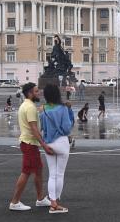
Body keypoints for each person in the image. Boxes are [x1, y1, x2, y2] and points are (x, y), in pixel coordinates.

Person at [9, 82, 53, 212]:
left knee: (38, 170)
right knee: (26, 172)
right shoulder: (30, 107)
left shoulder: (26, 105)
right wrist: (44, 145)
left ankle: (40, 198)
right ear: (29, 93)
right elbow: (34, 129)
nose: (38, 93)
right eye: (36, 91)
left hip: (29, 143)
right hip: (29, 144)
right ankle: (15, 202)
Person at [39, 84, 73, 213]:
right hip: (62, 143)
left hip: (48, 143)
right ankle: (56, 202)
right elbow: (67, 128)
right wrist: (69, 111)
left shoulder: (43, 110)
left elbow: (41, 128)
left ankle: (52, 201)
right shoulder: (63, 108)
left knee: (52, 174)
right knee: (60, 174)